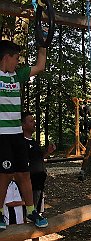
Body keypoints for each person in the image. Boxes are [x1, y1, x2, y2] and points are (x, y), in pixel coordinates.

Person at [0, 40, 48, 229]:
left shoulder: (17, 76)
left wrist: (43, 44)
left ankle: (31, 211)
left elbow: (40, 66)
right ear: (6, 57)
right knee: (4, 175)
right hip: (1, 134)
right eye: (16, 59)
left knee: (24, 174)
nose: (17, 63)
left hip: (16, 134)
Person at [21, 112, 56, 213]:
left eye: (34, 121)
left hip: (39, 184)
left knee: (36, 212)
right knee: (28, 212)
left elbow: (39, 158)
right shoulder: (21, 142)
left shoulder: (34, 142)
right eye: (31, 121)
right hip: (29, 185)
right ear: (23, 125)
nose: (34, 123)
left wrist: (48, 152)